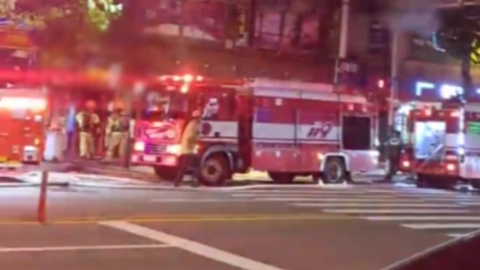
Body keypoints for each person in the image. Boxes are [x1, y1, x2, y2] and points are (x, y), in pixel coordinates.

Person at [173, 109, 201, 186]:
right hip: (189, 149)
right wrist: (198, 139)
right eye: (199, 117)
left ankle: (179, 181)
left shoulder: (190, 124)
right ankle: (180, 181)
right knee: (191, 166)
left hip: (187, 149)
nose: (200, 118)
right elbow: (190, 137)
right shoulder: (194, 125)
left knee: (189, 166)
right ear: (197, 117)